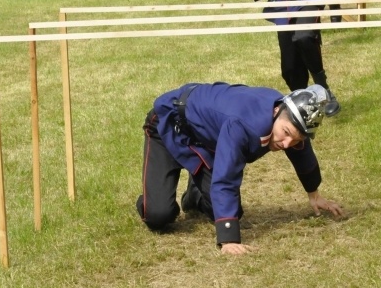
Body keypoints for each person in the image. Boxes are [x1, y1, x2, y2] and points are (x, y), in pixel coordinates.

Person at [136, 82, 344, 254]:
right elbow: (226, 178)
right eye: (286, 133)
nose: (287, 143)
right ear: (276, 110)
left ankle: (195, 196)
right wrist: (228, 239)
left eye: (294, 138)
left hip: (206, 139)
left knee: (233, 211)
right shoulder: (243, 125)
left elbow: (302, 151)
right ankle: (156, 196)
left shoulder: (287, 117)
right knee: (158, 216)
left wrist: (314, 194)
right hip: (169, 125)